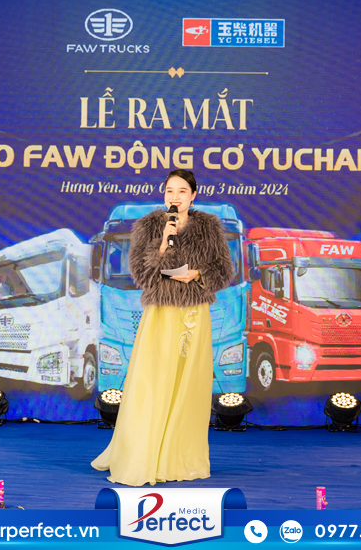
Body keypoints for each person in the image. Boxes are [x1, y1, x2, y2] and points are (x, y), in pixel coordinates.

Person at [91, 169, 234, 486]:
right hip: (161, 312)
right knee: (152, 382)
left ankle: (178, 457)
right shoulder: (150, 225)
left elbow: (224, 270)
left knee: (187, 385)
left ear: (193, 195)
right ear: (164, 193)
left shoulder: (209, 227)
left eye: (182, 191)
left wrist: (197, 274)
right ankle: (143, 455)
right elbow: (140, 273)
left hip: (193, 313)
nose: (175, 197)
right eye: (170, 191)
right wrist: (162, 246)